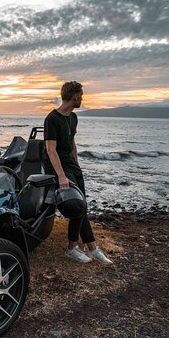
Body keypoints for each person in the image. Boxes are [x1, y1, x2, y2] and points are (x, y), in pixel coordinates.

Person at [43, 81, 112, 264]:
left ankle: (91, 248)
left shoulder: (73, 117)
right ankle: (75, 248)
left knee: (83, 205)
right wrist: (61, 175)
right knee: (77, 205)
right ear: (74, 96)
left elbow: (72, 143)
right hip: (57, 165)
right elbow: (51, 150)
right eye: (81, 95)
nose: (82, 98)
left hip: (71, 165)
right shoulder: (52, 119)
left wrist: (76, 165)